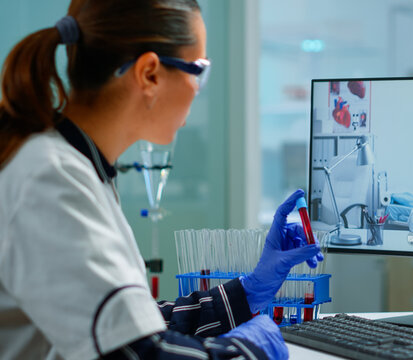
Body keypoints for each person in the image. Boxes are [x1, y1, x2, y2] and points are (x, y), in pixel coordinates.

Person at [0, 1, 322, 359]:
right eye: (198, 70)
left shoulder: (76, 165)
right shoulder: (49, 179)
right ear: (150, 74)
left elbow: (129, 323)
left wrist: (248, 292)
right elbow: (137, 353)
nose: (198, 88)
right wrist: (247, 351)